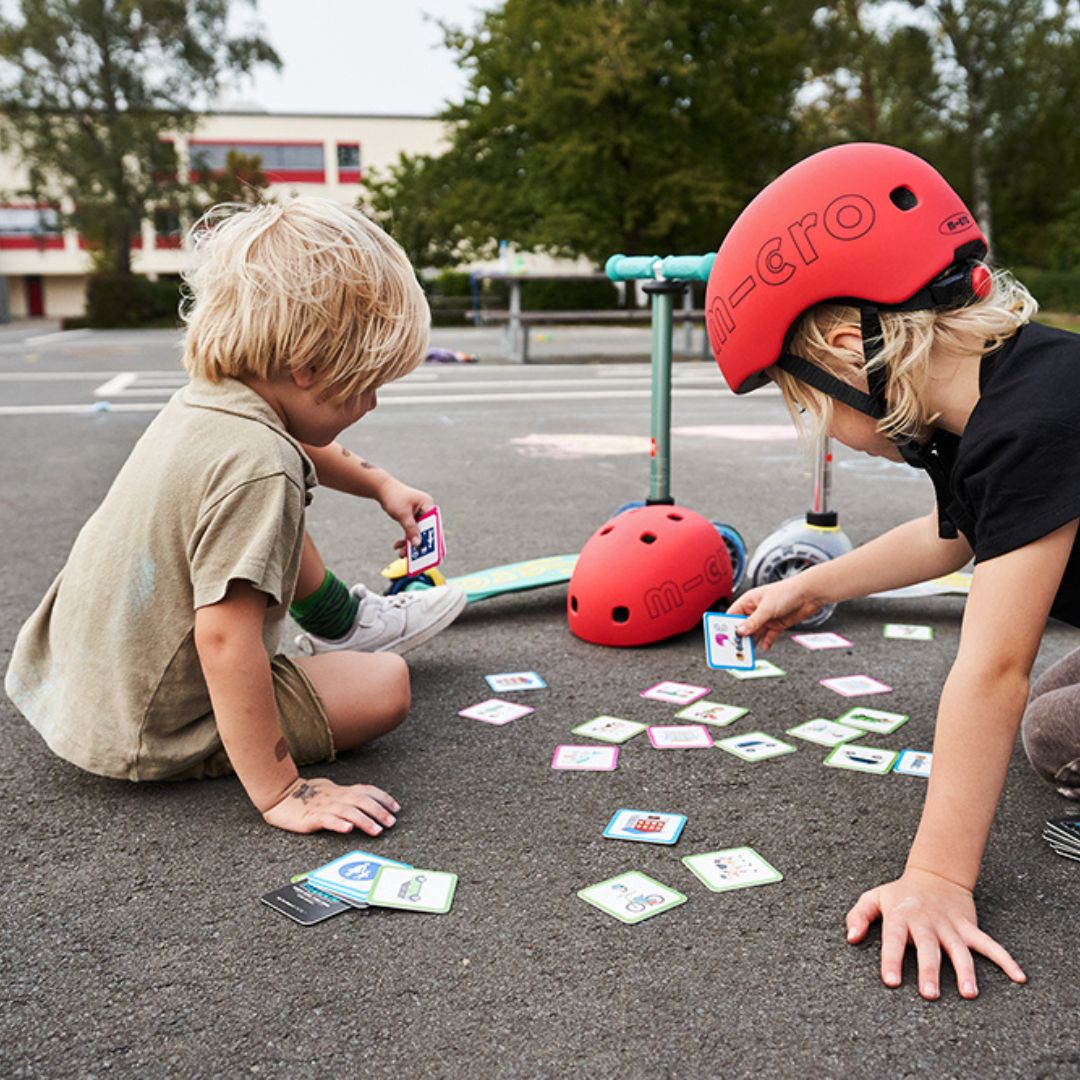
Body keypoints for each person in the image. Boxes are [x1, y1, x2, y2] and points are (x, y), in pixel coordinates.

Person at [706, 142, 1080, 1000]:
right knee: (1059, 710)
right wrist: (811, 585)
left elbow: (993, 670)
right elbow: (955, 537)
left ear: (851, 350)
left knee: (1054, 733)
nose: (821, 429)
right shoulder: (1004, 395)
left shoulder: (1031, 425)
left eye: (806, 403)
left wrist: (937, 877)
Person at [5, 197, 465, 835]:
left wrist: (380, 483)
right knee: (386, 684)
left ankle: (337, 624)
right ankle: (237, 735)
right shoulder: (260, 467)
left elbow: (297, 439)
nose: (373, 403)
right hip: (149, 726)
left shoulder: (214, 401)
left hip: (77, 686)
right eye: (365, 385)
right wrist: (285, 792)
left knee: (274, 512)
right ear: (306, 368)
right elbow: (224, 642)